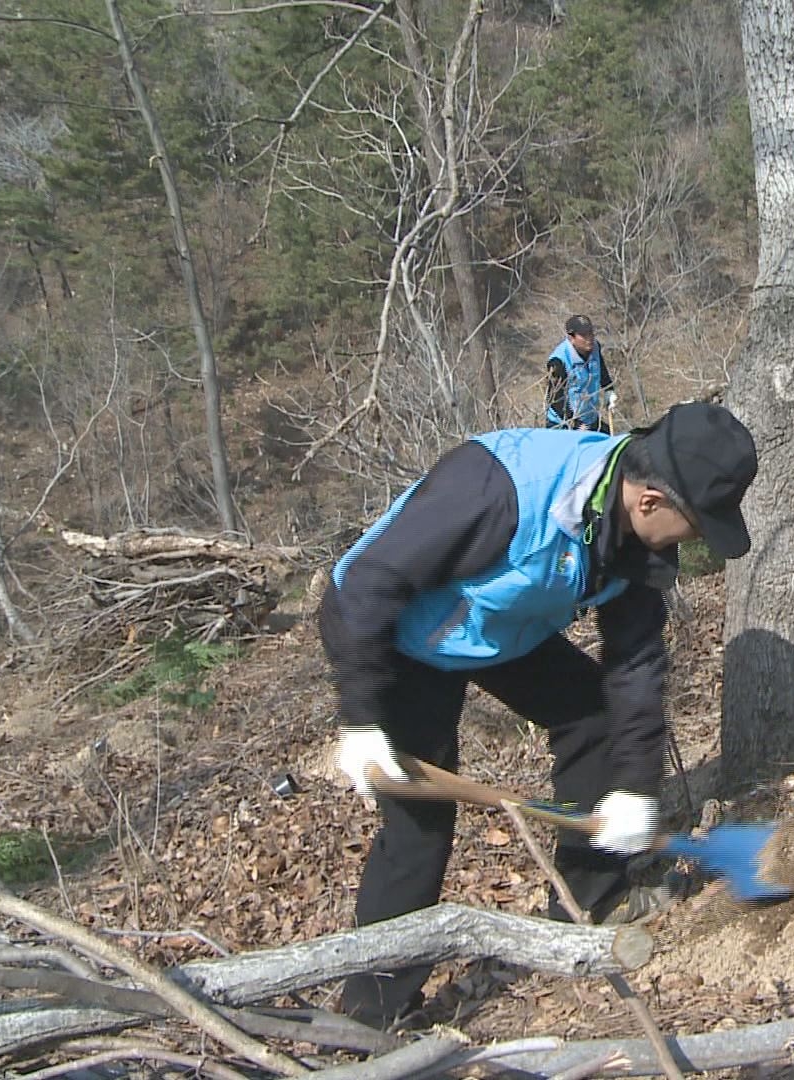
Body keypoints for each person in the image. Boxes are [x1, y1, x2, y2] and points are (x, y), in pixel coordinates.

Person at [321, 401, 757, 1028]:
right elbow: (366, 587)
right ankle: (372, 1011)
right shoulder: (499, 489)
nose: (698, 543)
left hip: (498, 630)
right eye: (698, 525)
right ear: (653, 501)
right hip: (400, 633)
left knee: (595, 720)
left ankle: (587, 905)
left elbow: (634, 668)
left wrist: (635, 788)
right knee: (419, 826)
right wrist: (360, 719)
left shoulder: (631, 542)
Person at [547, 314, 616, 432]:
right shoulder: (558, 361)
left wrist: (609, 390)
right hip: (563, 423)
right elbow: (555, 399)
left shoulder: (595, 347)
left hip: (590, 417)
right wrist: (575, 423)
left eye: (591, 333)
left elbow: (601, 369)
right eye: (583, 335)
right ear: (571, 337)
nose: (589, 338)